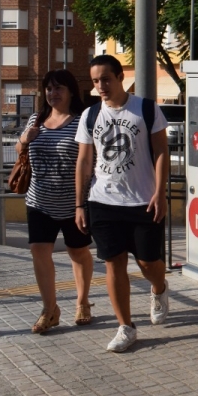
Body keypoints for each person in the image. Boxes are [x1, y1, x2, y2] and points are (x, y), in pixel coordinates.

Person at [74, 55, 170, 353]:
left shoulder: (145, 109)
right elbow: (84, 161)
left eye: (105, 79)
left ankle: (159, 288)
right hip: (103, 201)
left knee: (148, 263)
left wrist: (160, 192)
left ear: (119, 78)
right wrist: (79, 205)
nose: (100, 86)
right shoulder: (90, 115)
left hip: (143, 200)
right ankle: (126, 326)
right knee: (114, 263)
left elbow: (161, 152)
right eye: (95, 81)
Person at [18, 70, 95, 334]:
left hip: (74, 202)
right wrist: (23, 140)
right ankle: (49, 309)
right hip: (38, 200)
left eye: (59, 88)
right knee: (39, 252)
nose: (53, 93)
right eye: (49, 89)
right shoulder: (36, 119)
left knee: (78, 252)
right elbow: (20, 149)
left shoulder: (82, 121)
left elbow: (87, 162)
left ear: (71, 91)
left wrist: (81, 204)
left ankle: (83, 302)